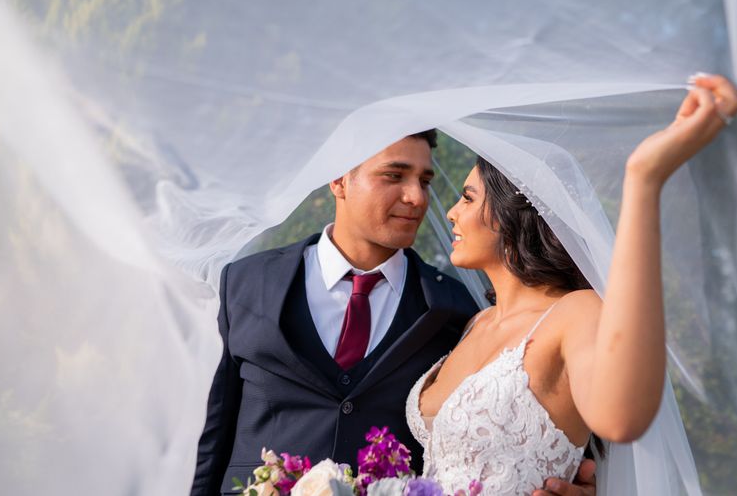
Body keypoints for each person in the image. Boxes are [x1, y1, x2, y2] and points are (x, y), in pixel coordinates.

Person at [192, 130, 597, 496]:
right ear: (339, 179)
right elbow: (213, 437)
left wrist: (582, 486)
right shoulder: (245, 283)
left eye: (424, 181)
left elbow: (544, 420)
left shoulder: (457, 311)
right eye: (394, 175)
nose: (417, 198)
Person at [407, 74, 737, 494]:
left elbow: (621, 417)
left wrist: (644, 178)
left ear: (513, 215)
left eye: (469, 198)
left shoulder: (576, 312)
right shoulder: (475, 323)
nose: (452, 214)